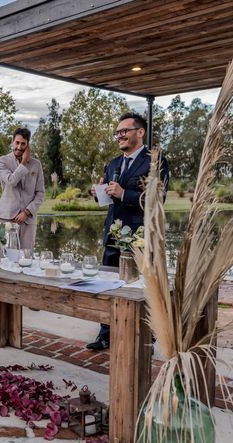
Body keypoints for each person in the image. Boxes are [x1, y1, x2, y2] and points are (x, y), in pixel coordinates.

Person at [86, 112, 169, 350]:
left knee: (143, 286)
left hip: (141, 237)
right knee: (107, 282)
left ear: (140, 132)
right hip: (113, 234)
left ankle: (147, 334)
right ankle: (105, 334)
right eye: (117, 132)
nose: (119, 135)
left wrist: (124, 194)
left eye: (124, 131)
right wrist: (100, 194)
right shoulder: (112, 163)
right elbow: (111, 200)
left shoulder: (155, 161)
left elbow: (157, 198)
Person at [0, 127, 45, 250]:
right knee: (6, 258)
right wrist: (23, 163)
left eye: (23, 144)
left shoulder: (36, 164)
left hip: (28, 220)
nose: (19, 147)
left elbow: (40, 193)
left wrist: (27, 212)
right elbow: (11, 181)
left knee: (27, 257)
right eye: (17, 142)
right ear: (12, 142)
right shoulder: (2, 161)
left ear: (28, 145)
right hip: (7, 218)